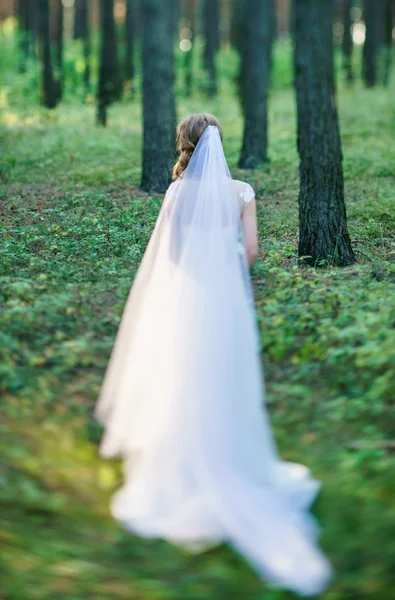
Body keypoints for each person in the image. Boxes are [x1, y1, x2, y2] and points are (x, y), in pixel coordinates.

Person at [95, 114, 332, 596]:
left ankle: (183, 461)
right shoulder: (242, 192)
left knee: (185, 376)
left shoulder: (176, 194)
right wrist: (224, 272)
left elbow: (175, 256)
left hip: (188, 301)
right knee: (226, 378)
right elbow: (250, 253)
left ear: (184, 144)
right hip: (227, 302)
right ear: (220, 144)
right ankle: (231, 458)